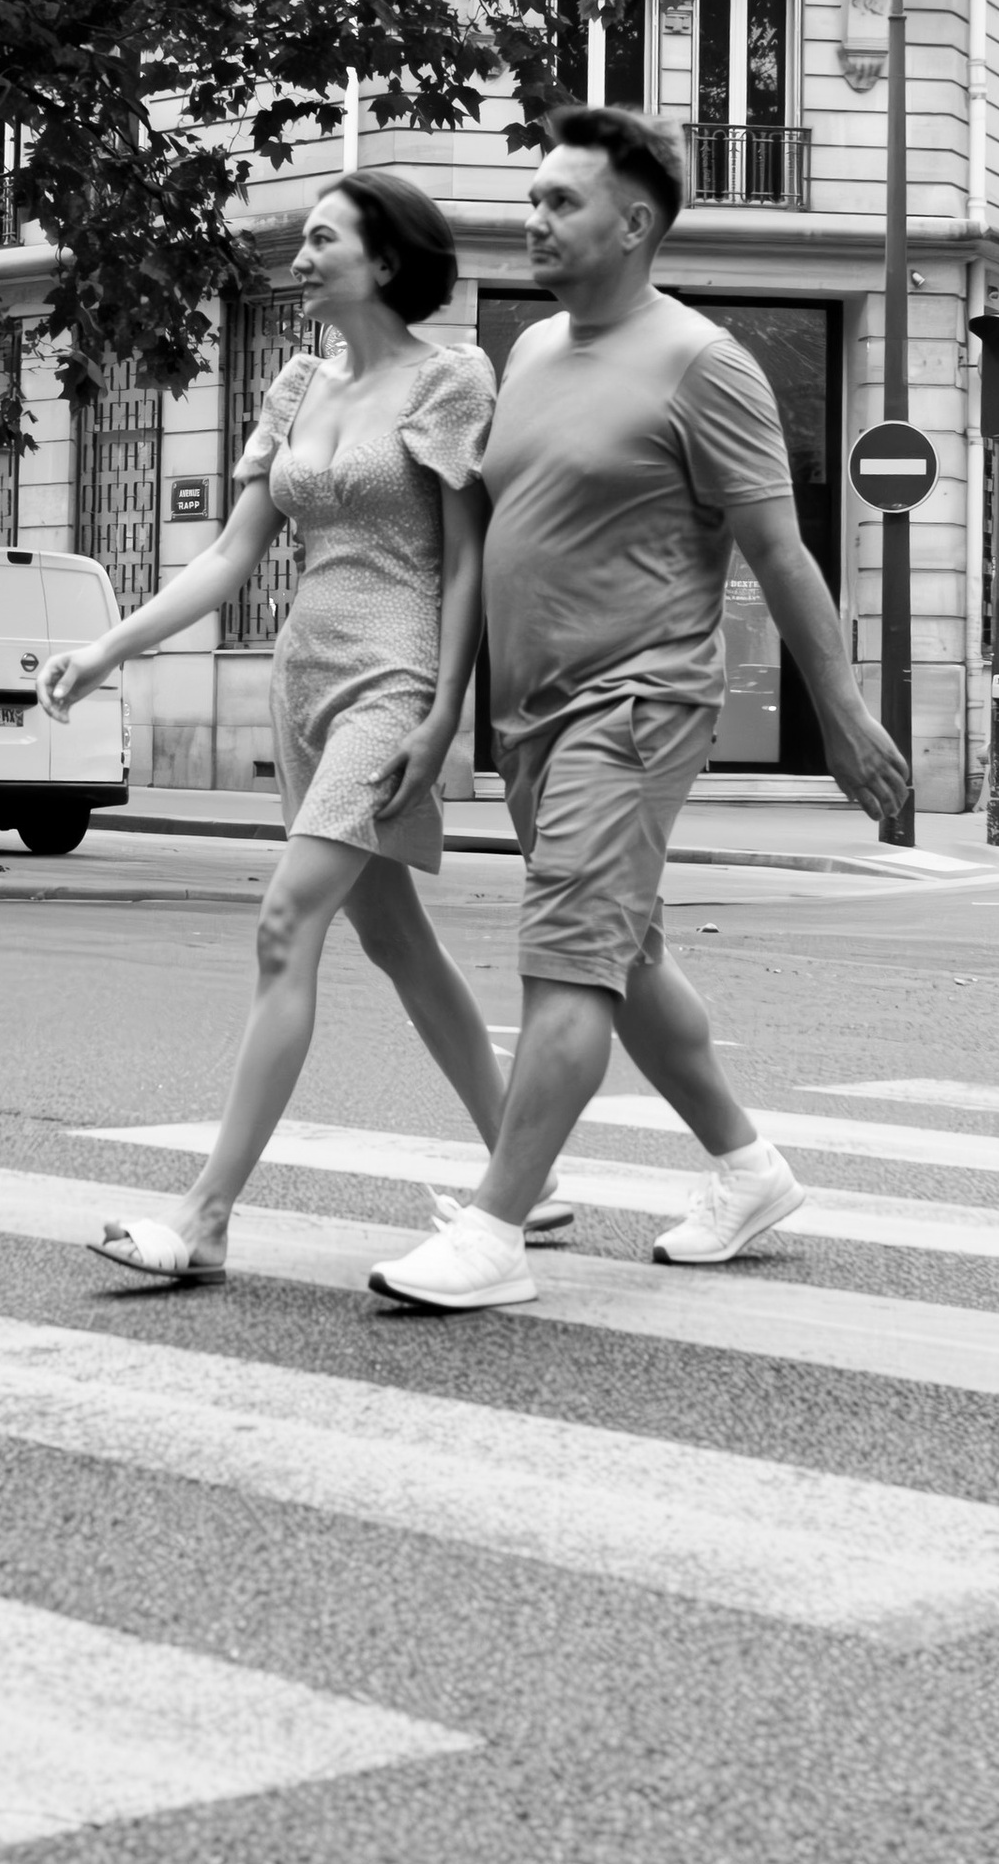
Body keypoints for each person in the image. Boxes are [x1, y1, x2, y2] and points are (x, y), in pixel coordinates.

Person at [367, 104, 910, 1314]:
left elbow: (779, 552)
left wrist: (846, 718)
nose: (536, 220)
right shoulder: (532, 353)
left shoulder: (704, 362)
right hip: (534, 716)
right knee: (626, 953)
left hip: (638, 700)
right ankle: (748, 1168)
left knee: (564, 957)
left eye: (562, 202)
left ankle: (499, 1225)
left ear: (636, 222)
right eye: (535, 199)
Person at [37, 168, 565, 1282]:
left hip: (393, 672)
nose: (302, 250)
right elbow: (232, 555)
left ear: (382, 260)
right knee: (393, 938)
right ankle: (532, 1170)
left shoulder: (451, 377)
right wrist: (108, 647)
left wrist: (442, 712)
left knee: (286, 923)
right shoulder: (294, 385)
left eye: (323, 236)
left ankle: (208, 1214)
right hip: (303, 675)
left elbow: (467, 561)